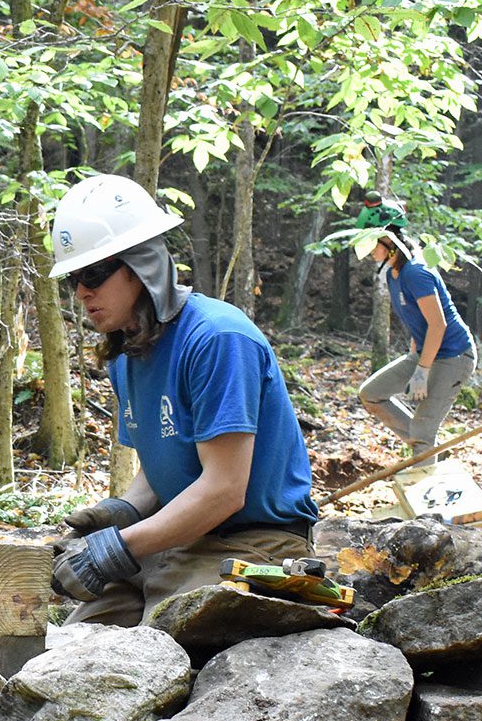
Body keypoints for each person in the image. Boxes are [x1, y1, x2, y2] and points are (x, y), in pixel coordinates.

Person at [49, 173, 320, 627]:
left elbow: (223, 490)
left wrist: (120, 548)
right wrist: (120, 512)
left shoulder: (217, 339)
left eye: (94, 273)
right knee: (75, 641)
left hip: (254, 542)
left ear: (145, 264)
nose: (82, 291)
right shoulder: (127, 355)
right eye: (74, 278)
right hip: (179, 540)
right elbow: (161, 473)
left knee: (160, 645)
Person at [353, 192, 477, 457]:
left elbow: (438, 324)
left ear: (391, 241)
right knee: (371, 393)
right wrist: (415, 357)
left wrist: (421, 372)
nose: (368, 249)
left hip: (454, 355)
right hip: (425, 352)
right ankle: (429, 450)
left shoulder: (416, 272)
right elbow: (416, 321)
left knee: (422, 432)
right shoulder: (394, 274)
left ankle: (425, 456)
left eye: (373, 241)